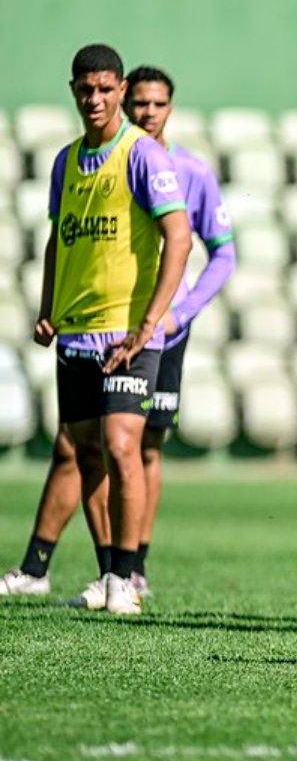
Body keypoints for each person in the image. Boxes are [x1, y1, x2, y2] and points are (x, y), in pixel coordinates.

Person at [0, 65, 236, 603]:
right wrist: (50, 308)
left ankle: (131, 571)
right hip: (89, 330)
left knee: (135, 446)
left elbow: (217, 251)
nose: (147, 112)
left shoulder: (177, 167)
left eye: (157, 103)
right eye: (141, 103)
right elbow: (63, 239)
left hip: (150, 328)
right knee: (85, 447)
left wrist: (175, 315)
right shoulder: (77, 161)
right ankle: (90, 569)